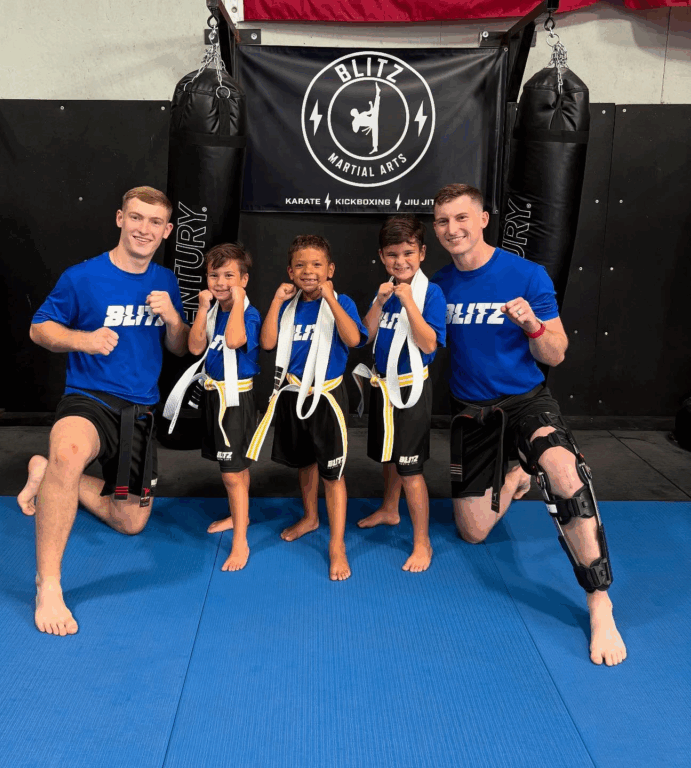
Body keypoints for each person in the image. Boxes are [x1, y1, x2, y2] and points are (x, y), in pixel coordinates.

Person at [417, 182, 623, 665]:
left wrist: (531, 324)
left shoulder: (526, 275)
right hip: (472, 412)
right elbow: (422, 343)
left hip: (526, 401)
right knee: (473, 532)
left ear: (483, 218)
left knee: (566, 476)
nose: (452, 229)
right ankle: (515, 474)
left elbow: (557, 352)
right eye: (443, 221)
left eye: (462, 218)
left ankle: (599, 600)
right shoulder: (438, 286)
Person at [17, 186, 189, 636]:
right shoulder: (83, 277)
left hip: (140, 410)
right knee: (70, 450)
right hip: (89, 397)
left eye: (155, 222)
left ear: (167, 231)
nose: (143, 229)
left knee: (130, 521)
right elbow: (40, 328)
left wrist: (174, 318)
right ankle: (49, 584)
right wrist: (82, 340)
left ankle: (48, 474)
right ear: (119, 218)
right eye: (136, 218)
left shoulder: (166, 281)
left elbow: (176, 346)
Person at [247, 235, 368, 580]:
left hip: (327, 397)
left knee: (333, 472)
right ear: (289, 270)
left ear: (330, 269)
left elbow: (354, 340)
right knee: (304, 464)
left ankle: (337, 545)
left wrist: (330, 297)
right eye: (300, 265)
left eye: (316, 264)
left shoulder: (340, 300)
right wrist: (274, 301)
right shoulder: (288, 305)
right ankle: (311, 517)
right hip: (293, 394)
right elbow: (268, 343)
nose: (308, 271)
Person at [354, 215, 447, 572]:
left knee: (411, 468)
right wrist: (379, 302)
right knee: (390, 458)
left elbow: (428, 344)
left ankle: (422, 542)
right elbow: (364, 336)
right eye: (392, 255)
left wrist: (409, 303)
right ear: (382, 256)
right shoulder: (386, 290)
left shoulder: (430, 293)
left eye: (408, 253)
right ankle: (391, 510)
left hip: (411, 391)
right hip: (382, 388)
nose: (401, 261)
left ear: (422, 253)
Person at [164, 243, 261, 571]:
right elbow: (194, 348)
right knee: (237, 470)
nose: (220, 282)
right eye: (214, 275)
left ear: (244, 279)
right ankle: (240, 519)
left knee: (232, 473)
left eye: (229, 276)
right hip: (214, 396)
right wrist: (202, 309)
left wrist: (234, 300)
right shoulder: (213, 309)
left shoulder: (248, 312)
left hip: (236, 400)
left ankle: (240, 543)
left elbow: (234, 341)